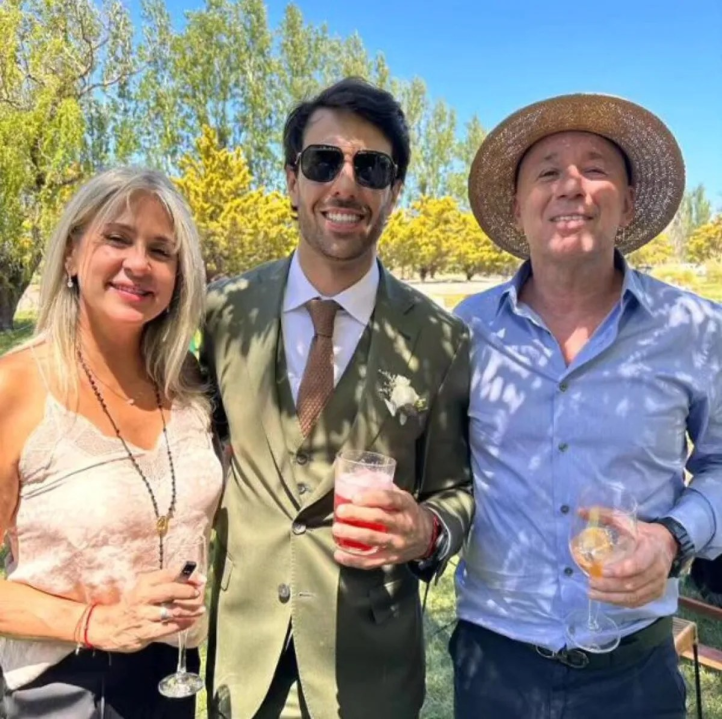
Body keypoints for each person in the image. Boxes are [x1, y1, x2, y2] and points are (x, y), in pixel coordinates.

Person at [202, 77, 474, 719]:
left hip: (369, 664)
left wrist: (427, 530)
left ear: (395, 191)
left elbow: (456, 489)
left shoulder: (441, 340)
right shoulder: (223, 311)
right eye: (324, 162)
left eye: (371, 167)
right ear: (292, 179)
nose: (345, 185)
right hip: (241, 651)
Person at [451, 93, 722, 719]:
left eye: (595, 168)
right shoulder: (466, 331)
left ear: (628, 201)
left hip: (636, 669)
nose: (571, 185)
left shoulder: (695, 329)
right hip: (494, 666)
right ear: (517, 206)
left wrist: (673, 538)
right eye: (547, 171)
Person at [0, 168, 223, 718]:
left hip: (173, 676)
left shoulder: (188, 384)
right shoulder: (18, 386)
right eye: (117, 238)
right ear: (71, 255)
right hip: (64, 687)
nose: (139, 263)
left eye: (161, 250)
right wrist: (95, 623)